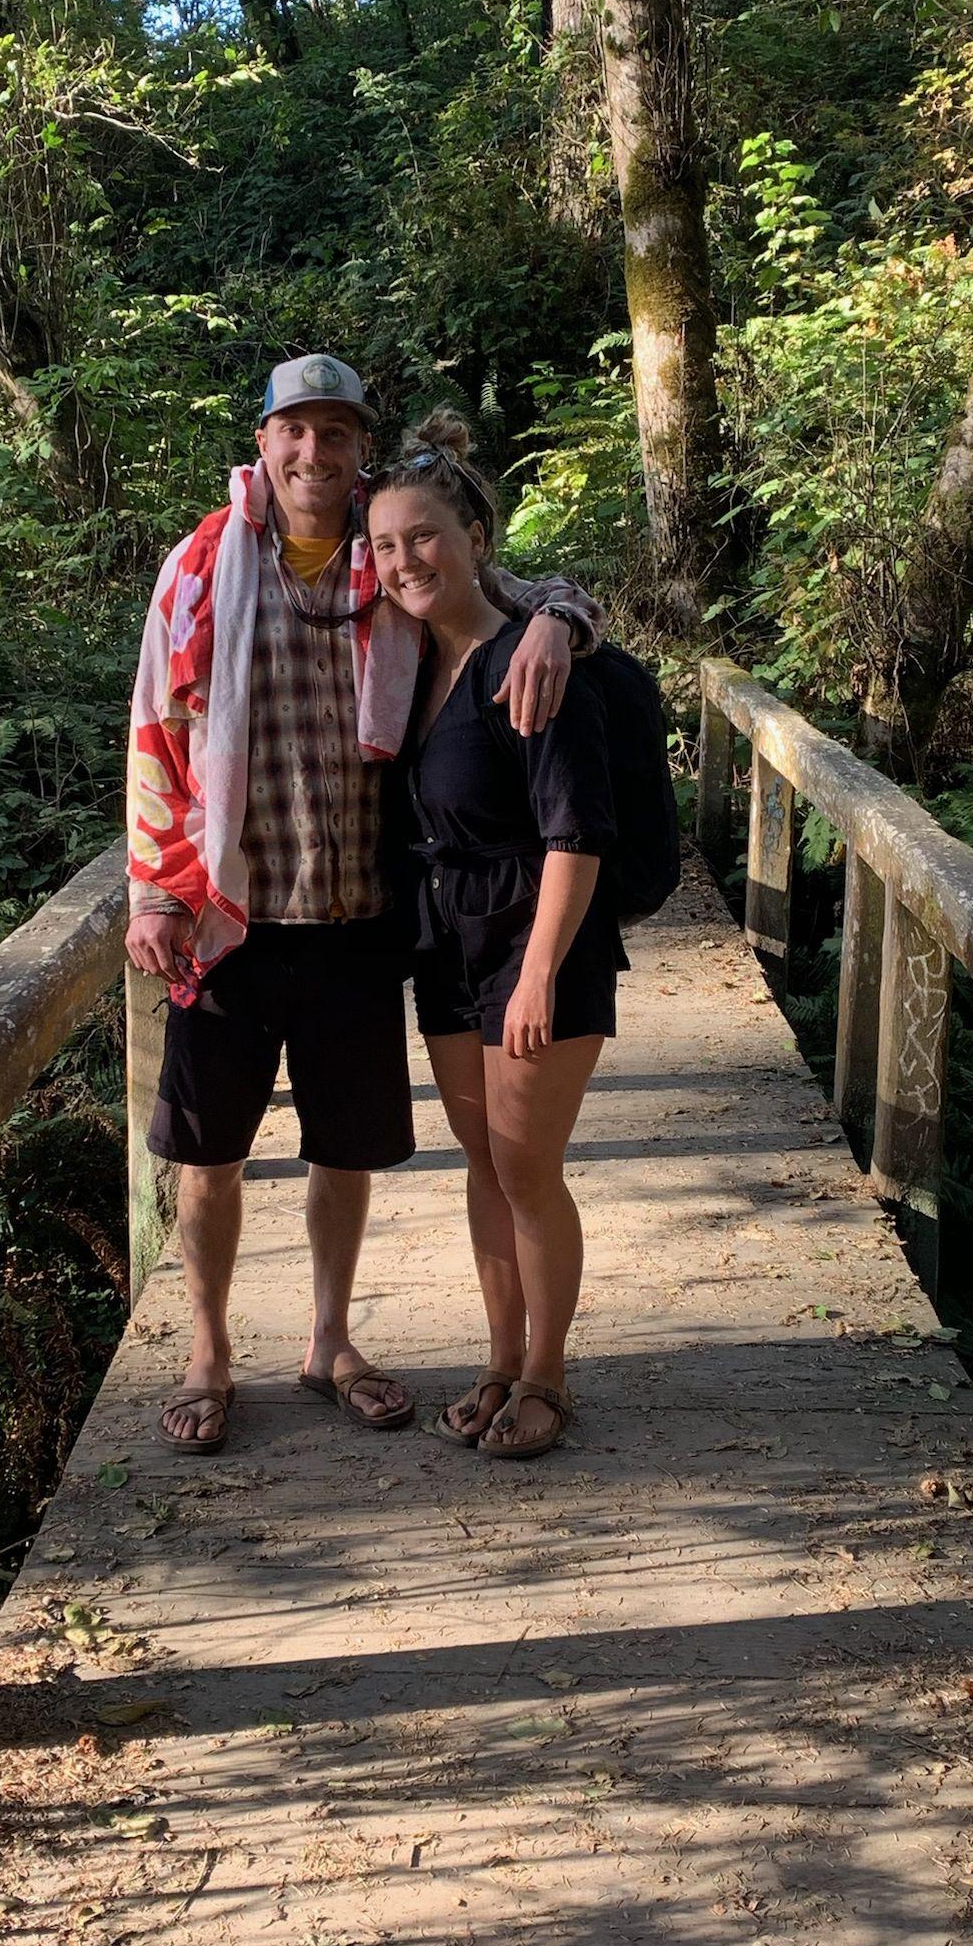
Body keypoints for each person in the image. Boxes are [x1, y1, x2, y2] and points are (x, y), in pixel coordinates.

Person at [125, 357, 597, 1453]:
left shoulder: (389, 557)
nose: (313, 453)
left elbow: (521, 597)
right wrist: (152, 890)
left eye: (335, 433)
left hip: (359, 916)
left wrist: (561, 622)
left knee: (342, 1150)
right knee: (208, 1155)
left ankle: (330, 1342)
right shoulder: (201, 564)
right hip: (230, 917)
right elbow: (154, 727)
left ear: (359, 451)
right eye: (294, 430)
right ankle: (208, 1350)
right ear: (263, 440)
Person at [364, 414, 622, 1464]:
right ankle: (501, 1358)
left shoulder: (532, 661)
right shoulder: (404, 665)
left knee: (526, 1166)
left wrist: (539, 977)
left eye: (424, 536)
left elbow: (576, 833)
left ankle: (547, 1376)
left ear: (474, 537)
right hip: (447, 945)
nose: (406, 562)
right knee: (483, 1162)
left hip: (535, 940)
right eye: (385, 545)